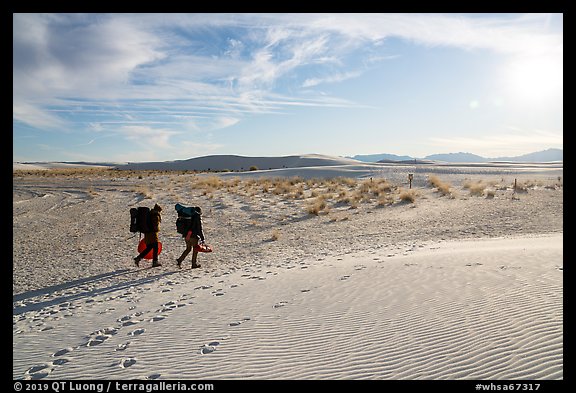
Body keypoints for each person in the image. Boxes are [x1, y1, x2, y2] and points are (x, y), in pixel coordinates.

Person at [134, 203, 162, 268]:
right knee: (155, 248)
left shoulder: (150, 214)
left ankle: (138, 258)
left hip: (147, 234)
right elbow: (155, 226)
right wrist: (157, 229)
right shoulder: (155, 215)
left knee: (149, 248)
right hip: (152, 234)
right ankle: (155, 262)